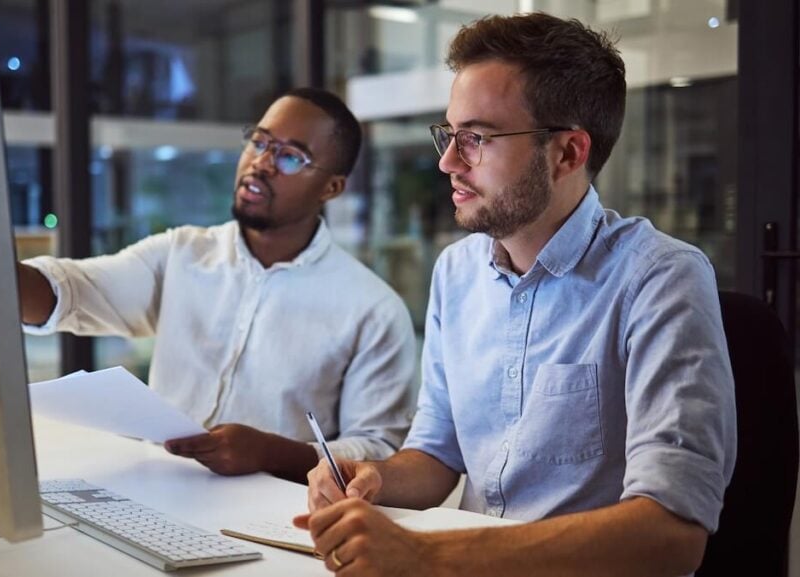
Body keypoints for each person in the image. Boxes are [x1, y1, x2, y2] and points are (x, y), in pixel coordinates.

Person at [296, 13, 736, 577]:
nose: (447, 162)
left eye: (476, 138)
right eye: (449, 135)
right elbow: (436, 454)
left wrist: (427, 556)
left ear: (568, 154)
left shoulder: (660, 278)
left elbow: (671, 536)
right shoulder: (457, 271)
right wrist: (376, 477)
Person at [18, 88, 417, 484]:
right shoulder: (182, 253)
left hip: (274, 514)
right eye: (260, 142)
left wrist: (271, 453)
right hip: (157, 487)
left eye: (290, 157)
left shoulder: (372, 308)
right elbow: (70, 292)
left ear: (331, 188)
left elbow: (378, 449)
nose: (261, 163)